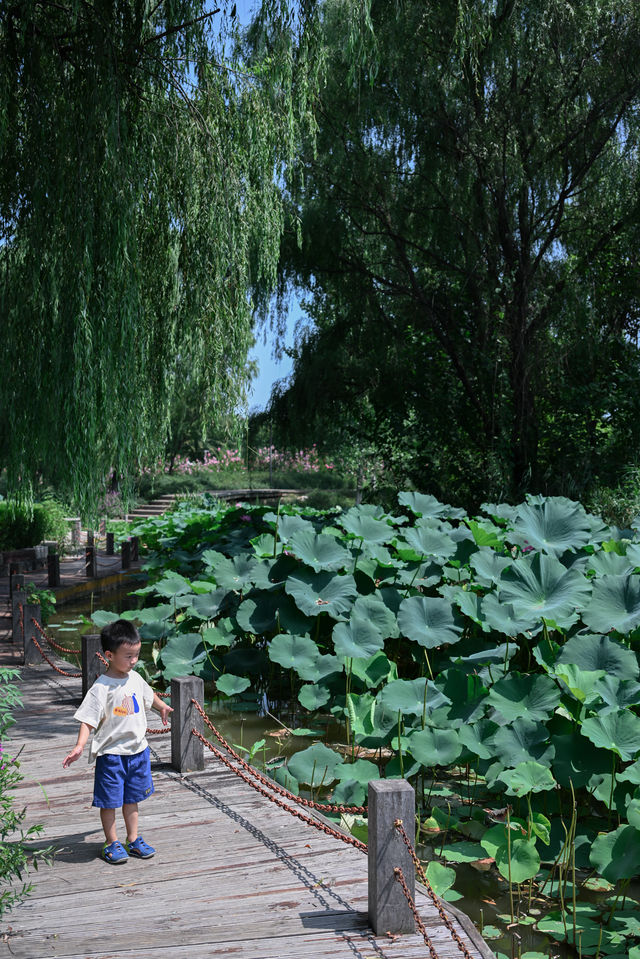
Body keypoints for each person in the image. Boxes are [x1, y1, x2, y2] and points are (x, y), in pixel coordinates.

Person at [63, 619, 172, 864]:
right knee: (110, 801)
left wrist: (162, 706)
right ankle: (111, 842)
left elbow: (148, 694)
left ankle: (132, 839)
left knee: (132, 799)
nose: (133, 661)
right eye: (128, 656)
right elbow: (88, 720)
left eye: (136, 655)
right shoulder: (101, 688)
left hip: (138, 752)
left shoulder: (135, 678)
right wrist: (80, 745)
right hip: (112, 755)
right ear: (109, 655)